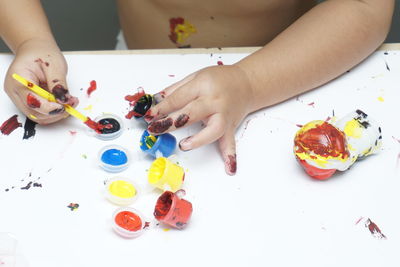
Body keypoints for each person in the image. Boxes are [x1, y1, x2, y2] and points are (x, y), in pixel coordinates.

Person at [1, 0, 394, 176]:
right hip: (135, 68)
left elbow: (364, 6)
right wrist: (30, 39)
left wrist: (250, 82)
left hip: (283, 78)